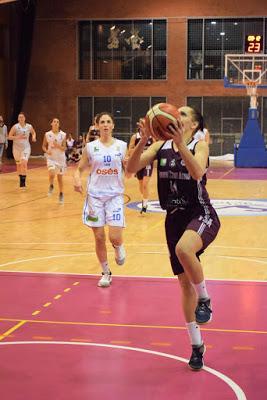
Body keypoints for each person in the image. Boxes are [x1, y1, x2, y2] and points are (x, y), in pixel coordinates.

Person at [127, 106, 220, 371]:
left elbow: (197, 172)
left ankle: (206, 299)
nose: (176, 117)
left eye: (182, 115)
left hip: (201, 213)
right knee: (183, 284)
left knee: (184, 249)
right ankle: (196, 345)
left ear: (193, 125)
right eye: (174, 113)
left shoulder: (199, 144)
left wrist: (182, 145)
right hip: (174, 218)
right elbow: (132, 168)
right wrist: (144, 139)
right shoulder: (160, 147)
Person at [73, 112, 128, 288]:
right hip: (95, 196)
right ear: (97, 126)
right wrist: (76, 179)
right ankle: (105, 272)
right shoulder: (90, 147)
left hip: (114, 196)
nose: (105, 125)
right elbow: (79, 168)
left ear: (113, 126)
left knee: (115, 237)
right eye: (102, 122)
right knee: (98, 237)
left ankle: (118, 247)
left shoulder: (122, 146)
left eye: (108, 122)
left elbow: (128, 168)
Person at [128, 129, 154, 214]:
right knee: (141, 183)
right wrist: (139, 149)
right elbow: (130, 150)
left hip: (148, 162)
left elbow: (155, 149)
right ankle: (144, 198)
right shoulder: (135, 137)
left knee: (145, 184)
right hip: (138, 162)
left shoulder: (151, 137)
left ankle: (145, 206)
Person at [8, 112, 37, 189]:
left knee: (24, 162)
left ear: (24, 118)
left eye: (22, 117)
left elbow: (33, 133)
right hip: (16, 148)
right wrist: (17, 137)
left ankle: (23, 182)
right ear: (18, 119)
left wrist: (33, 137)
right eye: (19, 117)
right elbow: (9, 137)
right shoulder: (15, 127)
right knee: (18, 165)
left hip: (26, 147)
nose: (21, 118)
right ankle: (20, 179)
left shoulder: (29, 126)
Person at [42, 118, 66, 204]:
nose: (56, 123)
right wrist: (46, 151)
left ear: (59, 125)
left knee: (60, 178)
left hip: (60, 159)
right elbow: (44, 146)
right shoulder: (47, 134)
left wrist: (58, 146)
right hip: (51, 158)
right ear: (51, 124)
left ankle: (61, 194)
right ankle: (51, 185)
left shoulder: (63, 135)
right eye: (54, 122)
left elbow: (64, 148)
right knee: (51, 173)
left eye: (57, 122)